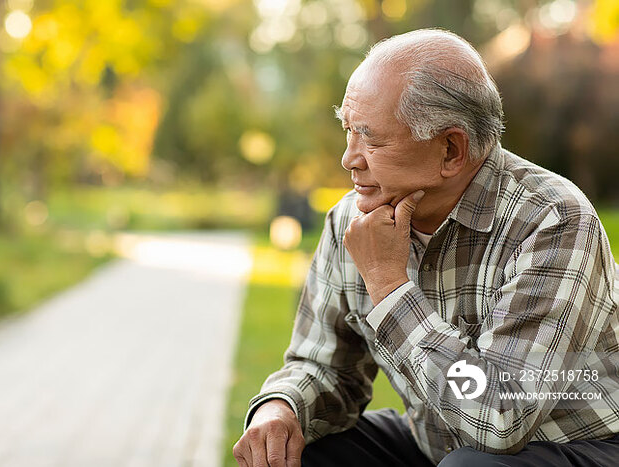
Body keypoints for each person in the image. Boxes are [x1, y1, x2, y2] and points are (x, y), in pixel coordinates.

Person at [232, 29, 619, 467]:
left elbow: (500, 420)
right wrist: (281, 407)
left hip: (579, 446)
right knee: (302, 450)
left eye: (371, 139)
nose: (349, 158)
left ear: (451, 150)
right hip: (437, 444)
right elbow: (322, 366)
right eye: (348, 131)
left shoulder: (553, 221)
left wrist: (389, 286)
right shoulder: (352, 220)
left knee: (472, 466)